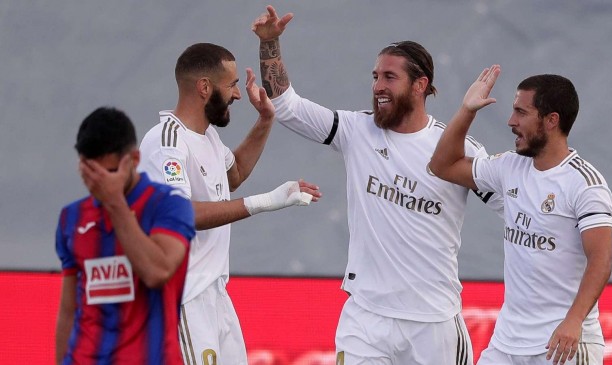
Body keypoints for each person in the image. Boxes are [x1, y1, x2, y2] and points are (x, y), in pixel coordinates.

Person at [252, 6, 503, 365]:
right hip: (366, 317)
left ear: (420, 85)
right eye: (375, 76)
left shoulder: (456, 148)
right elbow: (286, 107)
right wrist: (270, 44)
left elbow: (511, 206)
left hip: (433, 324)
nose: (378, 87)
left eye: (389, 77)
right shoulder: (356, 130)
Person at [138, 42, 321, 365]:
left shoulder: (208, 136)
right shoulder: (165, 142)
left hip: (216, 294)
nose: (238, 95)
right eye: (233, 85)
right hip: (183, 296)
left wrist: (266, 120)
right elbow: (181, 213)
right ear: (204, 87)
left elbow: (232, 174)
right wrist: (266, 202)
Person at [429, 66, 612, 365]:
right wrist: (467, 110)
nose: (511, 121)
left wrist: (573, 321)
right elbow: (441, 166)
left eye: (521, 112)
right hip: (506, 343)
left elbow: (601, 260)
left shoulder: (584, 183)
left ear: (551, 120)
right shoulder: (509, 166)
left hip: (562, 343)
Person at [55, 107, 196, 364]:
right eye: (89, 174)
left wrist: (115, 204)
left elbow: (157, 272)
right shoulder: (72, 218)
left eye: (109, 173)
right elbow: (69, 310)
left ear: (134, 159)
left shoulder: (169, 205)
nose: (98, 184)